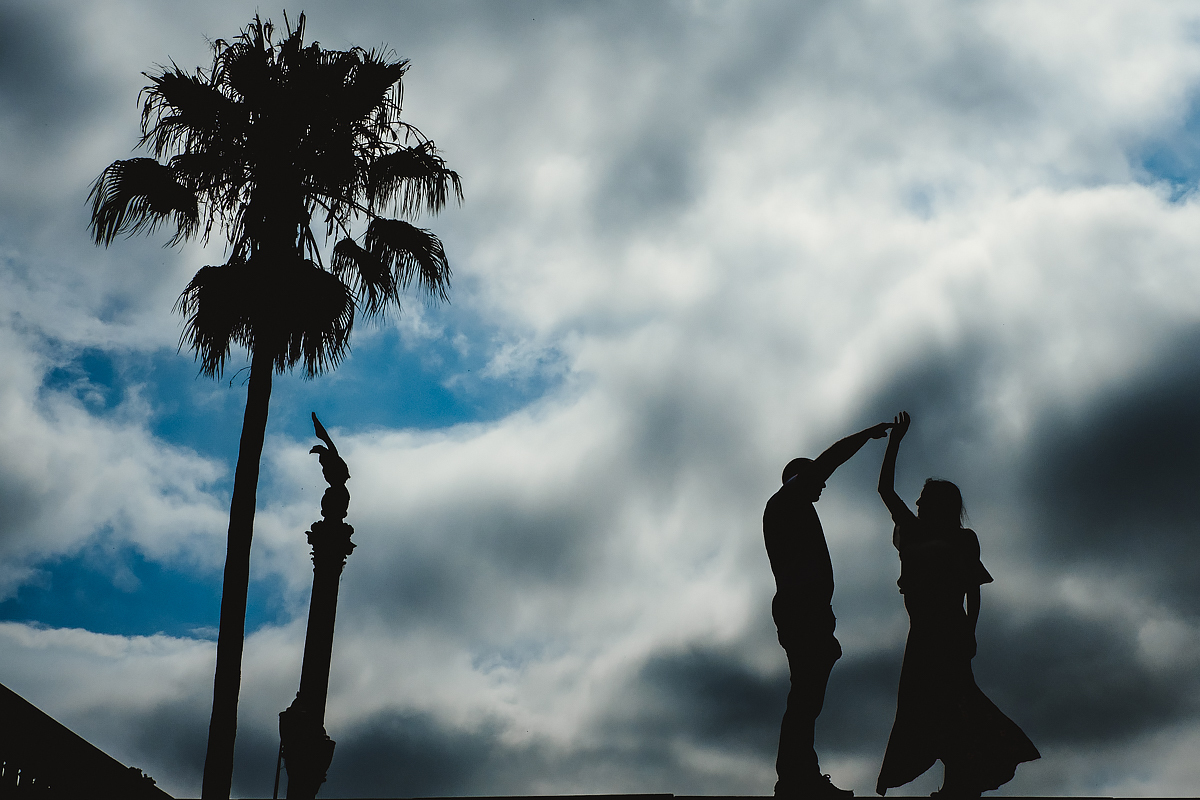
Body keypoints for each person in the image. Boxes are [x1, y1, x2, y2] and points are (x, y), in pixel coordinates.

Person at [875, 411, 1039, 798]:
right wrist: (895, 443)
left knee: (953, 705)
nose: (915, 501)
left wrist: (970, 631)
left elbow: (973, 589)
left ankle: (959, 782)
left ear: (938, 504)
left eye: (924, 498)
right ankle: (960, 780)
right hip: (923, 633)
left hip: (948, 629)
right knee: (929, 706)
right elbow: (885, 490)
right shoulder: (913, 530)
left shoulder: (963, 539)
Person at [765, 421, 892, 799]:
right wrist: (867, 434)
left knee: (806, 696)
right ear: (800, 477)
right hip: (801, 608)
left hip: (805, 608)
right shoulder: (790, 498)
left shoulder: (788, 508)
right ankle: (795, 778)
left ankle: (800, 773)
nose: (822, 487)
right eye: (816, 480)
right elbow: (831, 459)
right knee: (805, 697)